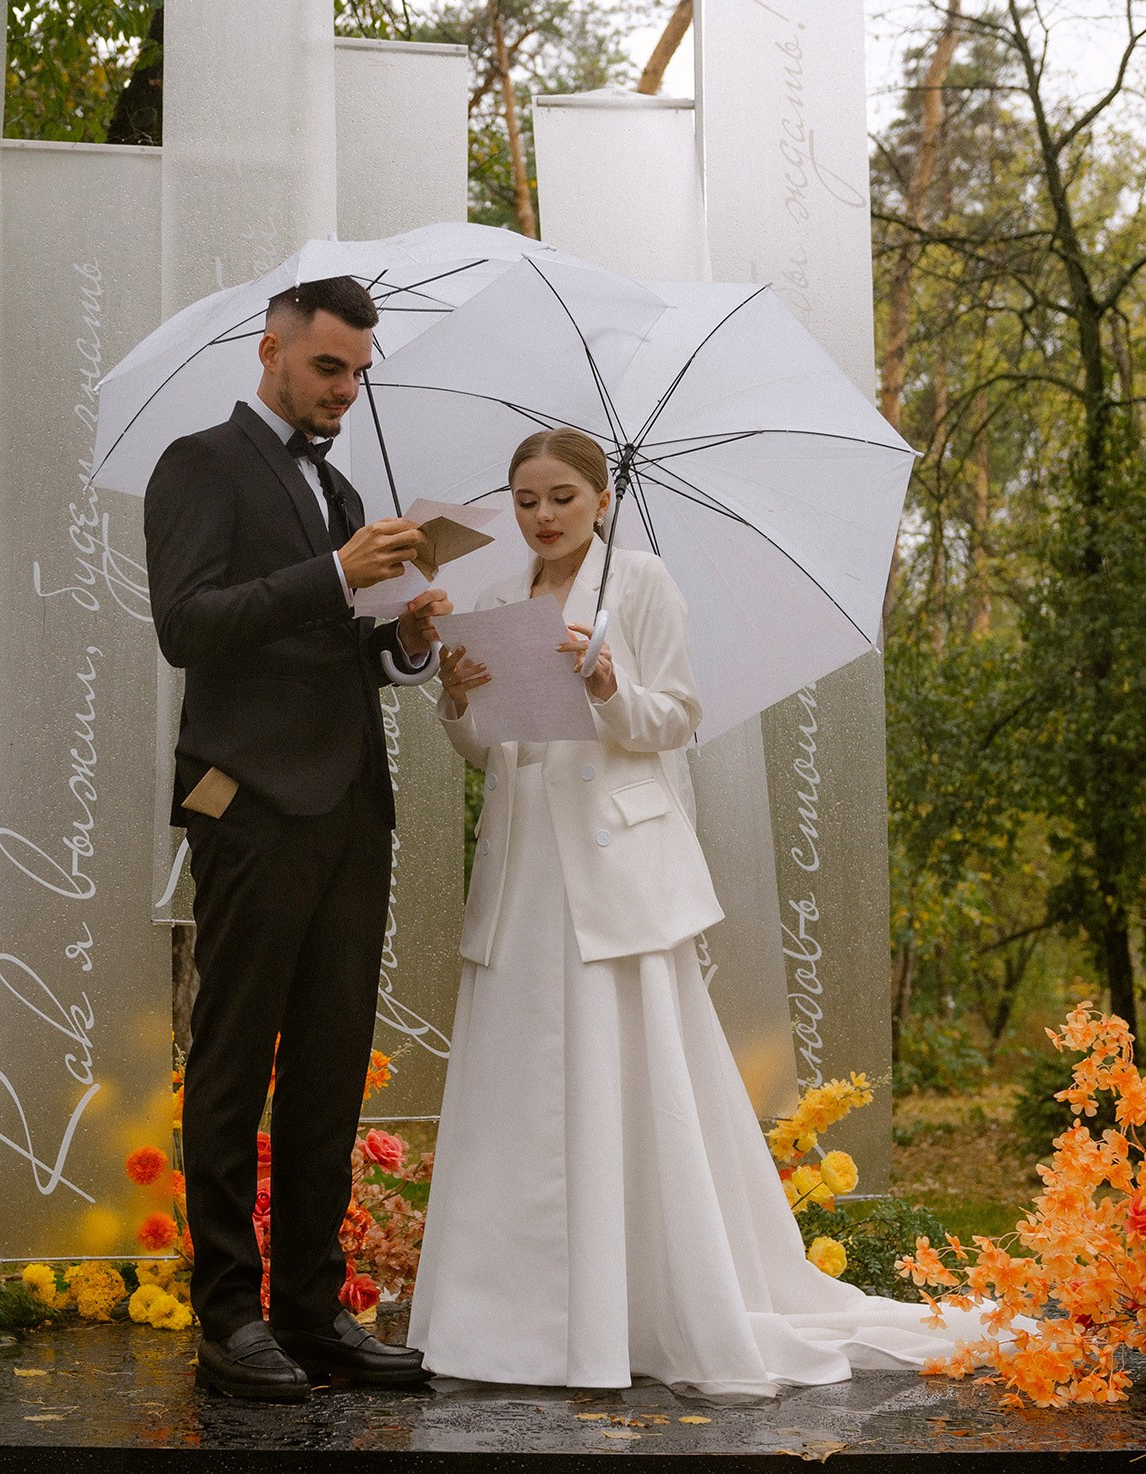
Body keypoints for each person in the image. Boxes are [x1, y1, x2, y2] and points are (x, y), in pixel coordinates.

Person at [409, 427, 991, 1398]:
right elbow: (488, 755)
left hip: (615, 867)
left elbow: (675, 716)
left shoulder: (640, 583)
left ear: (598, 499)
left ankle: (638, 1308)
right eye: (522, 499)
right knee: (520, 1078)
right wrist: (456, 702)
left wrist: (603, 684)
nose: (540, 516)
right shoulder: (491, 602)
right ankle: (505, 1326)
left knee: (626, 1071)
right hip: (522, 872)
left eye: (558, 496)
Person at [144, 275, 451, 1402]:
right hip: (250, 804)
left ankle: (311, 1315)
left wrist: (404, 639)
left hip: (351, 809)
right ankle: (227, 1320)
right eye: (328, 368)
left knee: (327, 1067)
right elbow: (187, 626)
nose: (343, 391)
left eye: (358, 375)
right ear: (270, 352)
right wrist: (331, 574)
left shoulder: (341, 492)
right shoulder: (198, 465)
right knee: (231, 1065)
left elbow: (339, 647)